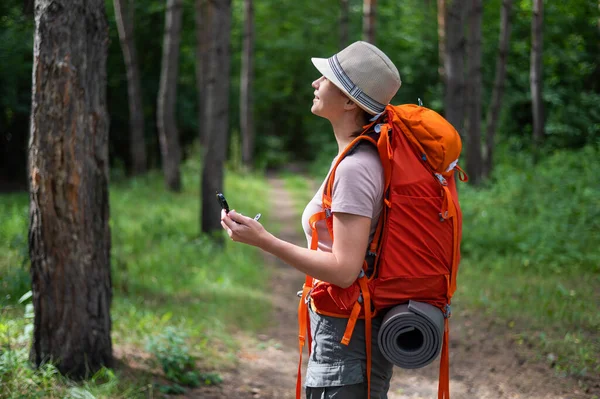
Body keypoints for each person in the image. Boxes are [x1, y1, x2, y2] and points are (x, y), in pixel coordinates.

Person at [220, 41, 401, 399]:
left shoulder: (355, 168)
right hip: (344, 332)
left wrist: (264, 240)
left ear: (350, 101)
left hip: (349, 340)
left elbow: (344, 269)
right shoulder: (355, 158)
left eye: (326, 78)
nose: (315, 84)